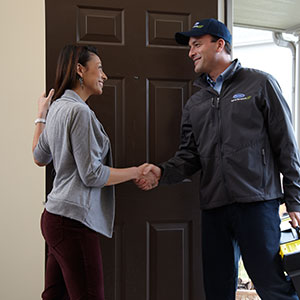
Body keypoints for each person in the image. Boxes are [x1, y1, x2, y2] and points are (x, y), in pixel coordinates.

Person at [136, 18, 300, 300]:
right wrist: (161, 172)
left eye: (197, 44)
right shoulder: (195, 103)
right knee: (217, 289)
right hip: (214, 207)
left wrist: (295, 199)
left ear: (220, 44)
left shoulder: (260, 84)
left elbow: (286, 145)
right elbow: (189, 157)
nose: (191, 53)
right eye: (190, 47)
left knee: (271, 285)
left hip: (257, 203)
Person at [32, 45, 157, 300]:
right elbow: (92, 174)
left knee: (55, 296)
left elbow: (38, 156)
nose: (104, 75)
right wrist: (135, 171)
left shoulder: (57, 108)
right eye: (99, 67)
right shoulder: (78, 111)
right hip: (72, 222)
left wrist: (41, 116)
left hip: (54, 217)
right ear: (80, 69)